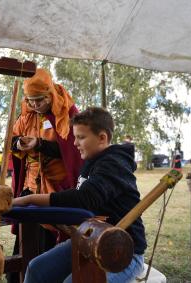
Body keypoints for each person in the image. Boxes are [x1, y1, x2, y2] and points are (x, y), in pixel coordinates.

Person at [13, 107, 146, 283]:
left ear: (102, 138)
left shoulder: (114, 164)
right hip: (89, 241)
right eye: (75, 137)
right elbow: (78, 198)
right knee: (36, 269)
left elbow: (84, 199)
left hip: (122, 252)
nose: (75, 143)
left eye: (81, 137)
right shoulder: (91, 161)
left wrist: (29, 199)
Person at [8, 68, 83, 282]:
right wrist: (19, 143)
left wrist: (39, 144)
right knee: (25, 237)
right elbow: (12, 138)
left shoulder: (68, 112)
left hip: (57, 187)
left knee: (52, 237)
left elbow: (73, 148)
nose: (34, 105)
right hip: (30, 185)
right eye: (30, 101)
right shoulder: (27, 114)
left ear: (50, 94)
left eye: (39, 100)